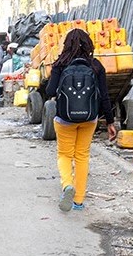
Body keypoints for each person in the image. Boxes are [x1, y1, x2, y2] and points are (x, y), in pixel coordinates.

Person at [44, 28, 118, 212]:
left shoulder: (60, 64)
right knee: (82, 156)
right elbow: (104, 96)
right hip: (89, 119)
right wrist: (110, 121)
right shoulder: (96, 66)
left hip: (64, 118)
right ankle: (78, 200)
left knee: (64, 155)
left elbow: (50, 92)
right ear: (88, 45)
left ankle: (67, 185)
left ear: (66, 45)